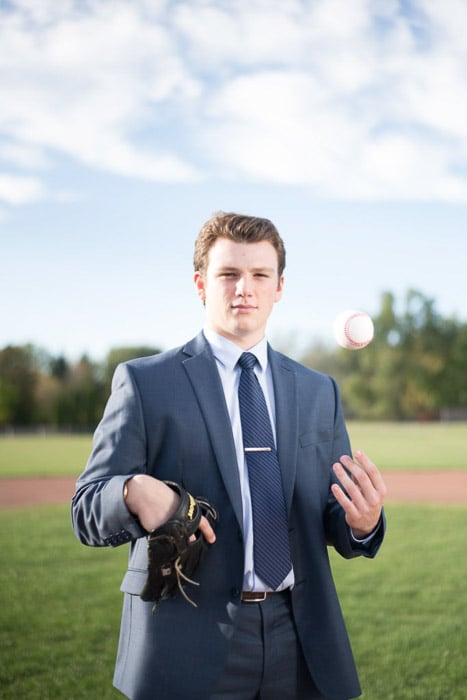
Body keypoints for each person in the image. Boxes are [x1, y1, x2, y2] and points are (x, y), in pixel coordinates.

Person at [71, 212, 386, 700]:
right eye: (229, 274)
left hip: (299, 636)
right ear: (201, 283)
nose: (246, 288)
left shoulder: (319, 390)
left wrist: (362, 523)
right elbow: (87, 508)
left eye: (261, 275)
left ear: (279, 286)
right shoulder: (145, 383)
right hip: (185, 638)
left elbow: (332, 518)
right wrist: (131, 491)